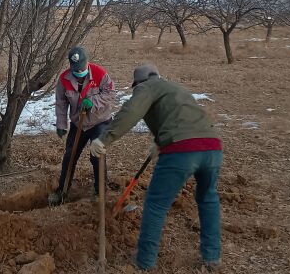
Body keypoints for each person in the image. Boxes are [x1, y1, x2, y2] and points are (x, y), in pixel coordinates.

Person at [91, 64, 223, 272]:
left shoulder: (146, 87)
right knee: (208, 199)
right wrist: (160, 142)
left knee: (156, 204)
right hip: (213, 147)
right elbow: (180, 117)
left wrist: (104, 139)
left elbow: (131, 112)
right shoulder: (175, 88)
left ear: (138, 84)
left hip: (182, 150)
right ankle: (212, 256)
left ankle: (145, 261)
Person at [48, 46, 117, 205]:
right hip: (78, 123)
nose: (78, 72)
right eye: (75, 69)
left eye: (81, 69)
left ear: (87, 63)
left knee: (96, 154)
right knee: (69, 155)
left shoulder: (100, 73)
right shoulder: (64, 78)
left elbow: (111, 94)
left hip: (100, 122)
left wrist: (92, 101)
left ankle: (100, 191)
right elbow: (61, 103)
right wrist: (61, 124)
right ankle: (62, 191)